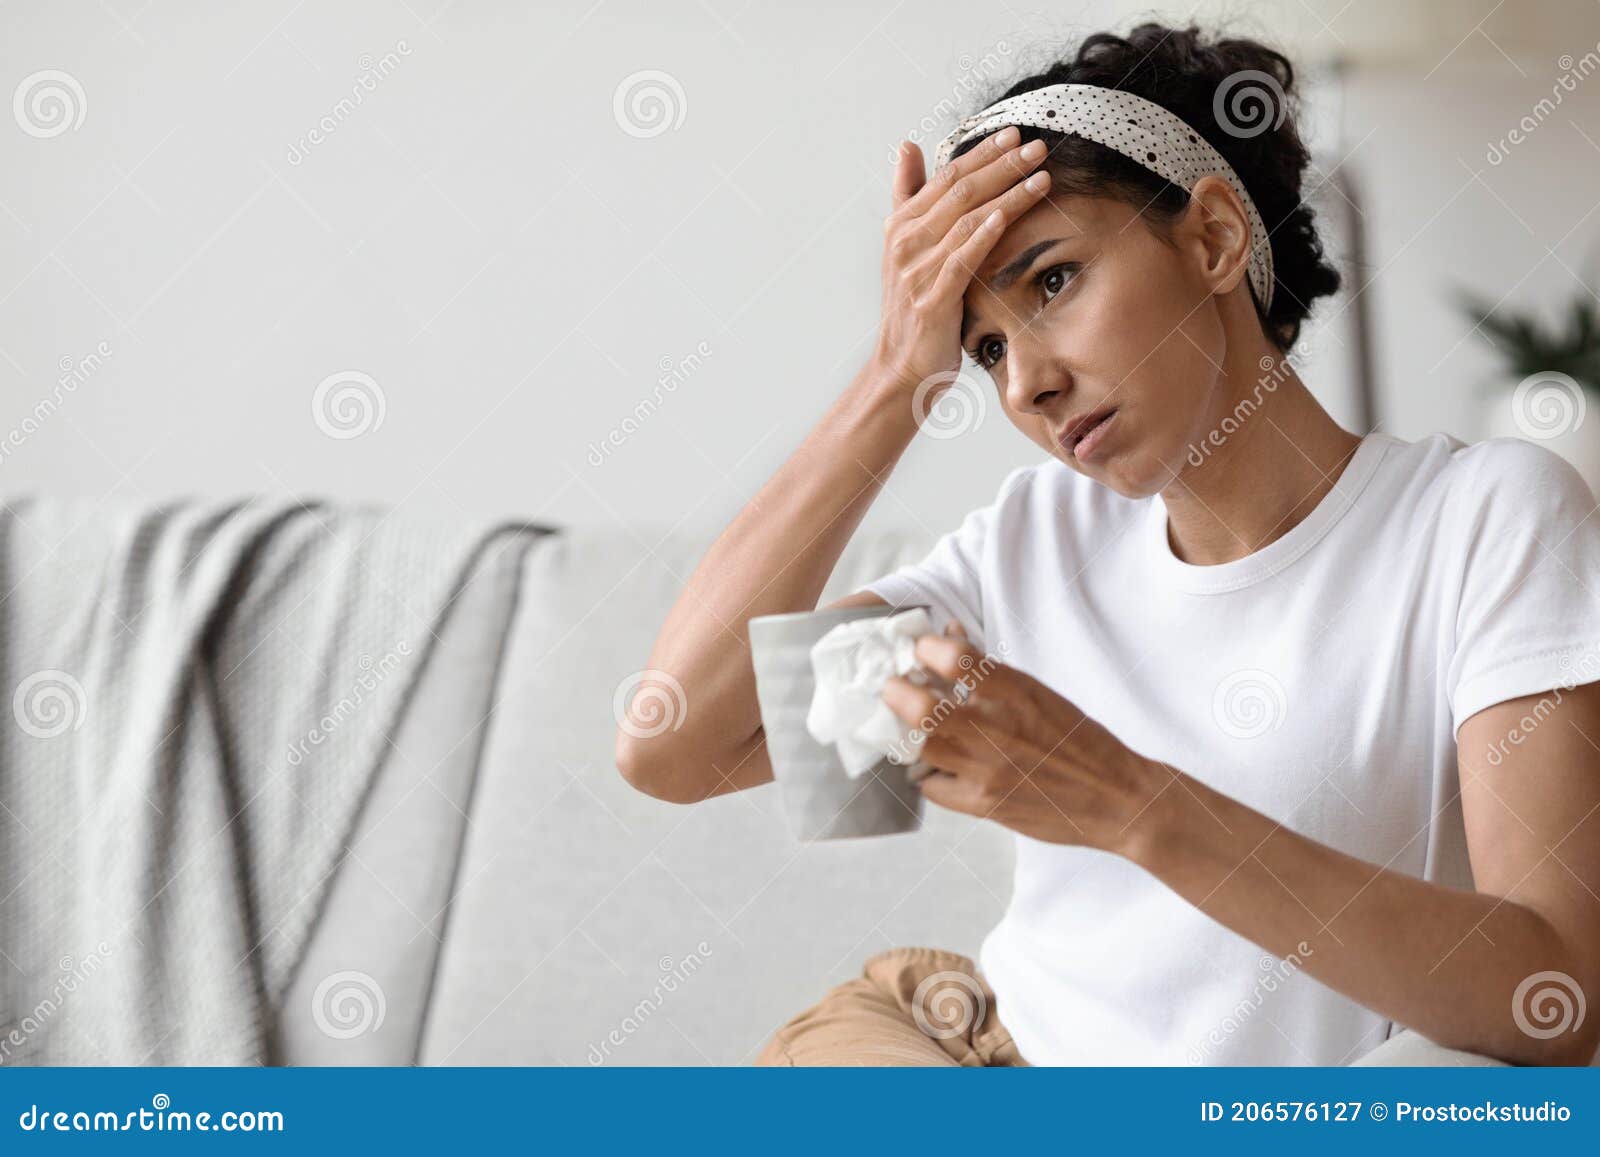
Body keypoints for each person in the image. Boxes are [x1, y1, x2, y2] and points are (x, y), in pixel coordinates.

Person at [615, 22, 1600, 1067]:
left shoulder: (1483, 517)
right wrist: (895, 380)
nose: (1022, 384)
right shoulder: (1032, 543)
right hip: (959, 1046)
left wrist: (1128, 800)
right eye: (983, 347)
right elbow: (673, 747)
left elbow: (1557, 991)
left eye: (1052, 282)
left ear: (1213, 237)